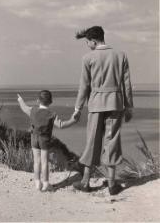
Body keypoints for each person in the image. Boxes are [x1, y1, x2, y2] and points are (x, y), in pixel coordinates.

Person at [72, 26, 134, 195]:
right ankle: (112, 185)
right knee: (112, 141)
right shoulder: (121, 55)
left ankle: (85, 182)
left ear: (93, 40)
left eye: (87, 42)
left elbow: (83, 86)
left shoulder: (88, 58)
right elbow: (126, 85)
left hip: (96, 104)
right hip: (115, 103)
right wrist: (128, 107)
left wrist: (78, 108)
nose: (87, 45)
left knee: (92, 141)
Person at [17, 90, 78, 192]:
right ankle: (45, 183)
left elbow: (24, 108)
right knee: (44, 162)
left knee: (36, 161)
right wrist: (73, 120)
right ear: (51, 102)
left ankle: (37, 183)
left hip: (34, 138)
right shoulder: (52, 114)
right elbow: (61, 125)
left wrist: (20, 100)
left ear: (37, 101)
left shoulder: (32, 110)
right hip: (45, 140)